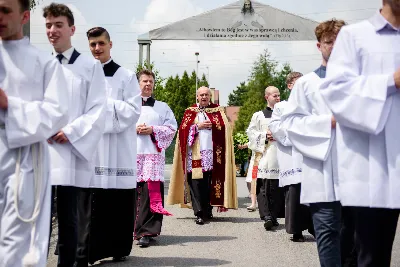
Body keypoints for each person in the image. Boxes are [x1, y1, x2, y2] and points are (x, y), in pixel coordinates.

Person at [320, 2, 400, 266]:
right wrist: (390, 82)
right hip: (376, 167)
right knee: (374, 257)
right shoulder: (356, 37)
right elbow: (337, 92)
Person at [280, 19, 355, 267]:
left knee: (355, 239)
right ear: (318, 45)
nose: (334, 47)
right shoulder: (305, 84)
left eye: (340, 42)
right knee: (327, 235)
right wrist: (329, 122)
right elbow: (290, 124)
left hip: (357, 174)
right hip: (321, 174)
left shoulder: (362, 82)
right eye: (329, 42)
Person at [0, 0, 69, 266]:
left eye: (6, 10)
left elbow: (57, 113)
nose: (0, 17)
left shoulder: (43, 63)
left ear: (25, 16)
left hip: (24, 159)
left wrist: (10, 106)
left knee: (17, 243)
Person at [42, 4, 107, 266]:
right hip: (43, 152)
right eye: (48, 25)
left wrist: (69, 132)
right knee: (40, 220)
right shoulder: (43, 64)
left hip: (72, 152)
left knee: (70, 220)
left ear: (72, 29)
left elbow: (98, 109)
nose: (52, 31)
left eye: (58, 25)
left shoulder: (90, 67)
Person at [75, 27, 141, 266]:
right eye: (92, 44)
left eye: (101, 43)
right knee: (90, 199)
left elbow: (133, 110)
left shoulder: (126, 75)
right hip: (90, 148)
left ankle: (118, 247)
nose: (97, 49)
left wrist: (102, 106)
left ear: (110, 44)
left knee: (117, 201)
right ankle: (89, 250)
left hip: (117, 150)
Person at [168, 86, 238, 225]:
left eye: (206, 94)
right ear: (197, 97)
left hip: (214, 154)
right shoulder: (190, 111)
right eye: (201, 95)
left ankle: (208, 210)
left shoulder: (218, 111)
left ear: (210, 96)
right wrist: (196, 127)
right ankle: (199, 212)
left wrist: (215, 126)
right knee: (196, 182)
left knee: (210, 183)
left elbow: (226, 129)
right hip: (195, 154)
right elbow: (182, 131)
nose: (204, 97)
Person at [269, 72, 315, 242]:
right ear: (289, 86)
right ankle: (296, 230)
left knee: (312, 189)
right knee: (295, 191)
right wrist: (294, 136)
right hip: (291, 154)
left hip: (309, 153)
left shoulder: (311, 104)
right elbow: (275, 126)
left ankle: (314, 227)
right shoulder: (281, 107)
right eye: (297, 83)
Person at [134, 69, 177, 247]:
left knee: (149, 194)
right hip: (132, 154)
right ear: (137, 84)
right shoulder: (128, 105)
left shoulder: (162, 107)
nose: (148, 84)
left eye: (151, 81)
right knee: (131, 193)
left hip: (152, 156)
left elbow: (171, 128)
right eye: (144, 81)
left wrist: (153, 130)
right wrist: (134, 129)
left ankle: (147, 231)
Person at [246, 86, 284, 230]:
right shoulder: (258, 115)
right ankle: (267, 216)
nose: (278, 98)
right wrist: (264, 136)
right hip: (264, 154)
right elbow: (251, 132)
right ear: (266, 97)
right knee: (263, 186)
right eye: (275, 95)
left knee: (276, 187)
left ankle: (274, 216)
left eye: (279, 95)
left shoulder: (284, 114)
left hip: (279, 154)